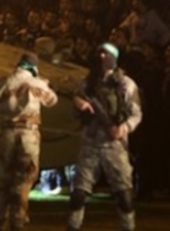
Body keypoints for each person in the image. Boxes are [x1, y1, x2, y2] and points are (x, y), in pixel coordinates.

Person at [67, 42, 142, 231]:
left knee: (124, 196)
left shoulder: (125, 84)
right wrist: (80, 105)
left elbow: (136, 113)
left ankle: (128, 227)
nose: (101, 57)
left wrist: (123, 128)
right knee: (78, 194)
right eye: (99, 53)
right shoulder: (88, 83)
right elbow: (76, 104)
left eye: (106, 54)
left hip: (115, 145)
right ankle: (73, 226)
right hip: (90, 142)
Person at [0, 52, 58, 231]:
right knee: (24, 178)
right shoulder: (36, 83)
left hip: (6, 134)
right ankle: (18, 220)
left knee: (3, 179)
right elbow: (52, 100)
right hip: (28, 135)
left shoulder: (4, 82)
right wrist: (45, 84)